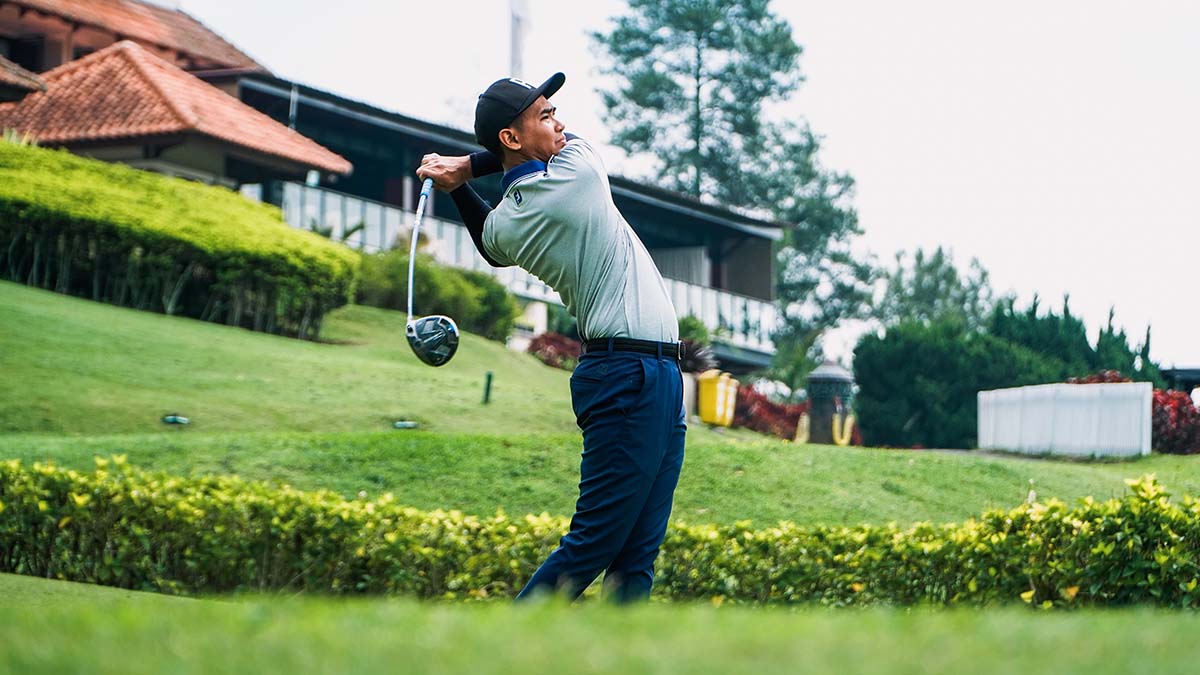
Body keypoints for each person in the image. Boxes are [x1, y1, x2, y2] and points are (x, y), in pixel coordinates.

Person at [416, 72, 686, 603]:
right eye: (545, 115)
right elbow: (552, 150)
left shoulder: (508, 224)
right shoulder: (577, 174)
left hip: (647, 374)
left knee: (637, 552)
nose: (559, 123)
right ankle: (512, 644)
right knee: (596, 543)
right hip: (629, 375)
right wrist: (467, 167)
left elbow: (489, 243)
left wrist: (461, 182)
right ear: (511, 137)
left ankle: (625, 649)